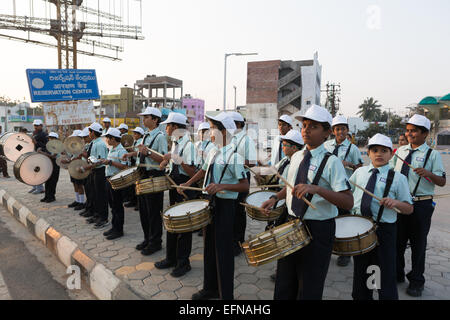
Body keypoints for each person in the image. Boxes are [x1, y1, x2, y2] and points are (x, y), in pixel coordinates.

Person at [261, 104, 353, 300]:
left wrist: (317, 189)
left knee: (309, 286)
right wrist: (275, 198)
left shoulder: (332, 162)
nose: (306, 130)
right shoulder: (296, 157)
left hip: (318, 229)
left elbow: (347, 201)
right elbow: (292, 185)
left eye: (313, 126)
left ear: (327, 132)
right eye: (304, 125)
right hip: (292, 224)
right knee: (284, 283)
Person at [181, 112, 249, 300]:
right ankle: (209, 288)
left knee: (223, 251)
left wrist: (222, 186)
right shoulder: (212, 150)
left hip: (226, 205)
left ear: (224, 131)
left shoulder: (234, 155)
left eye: (212, 128)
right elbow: (204, 170)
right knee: (209, 247)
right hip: (210, 202)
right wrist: (188, 183)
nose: (209, 131)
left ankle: (226, 295)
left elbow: (245, 185)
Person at [349, 133, 413, 300]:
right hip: (360, 228)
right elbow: (348, 195)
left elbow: (409, 209)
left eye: (384, 150)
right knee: (361, 272)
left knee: (382, 273)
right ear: (368, 153)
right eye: (374, 150)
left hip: (384, 231)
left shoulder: (399, 178)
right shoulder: (359, 173)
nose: (379, 154)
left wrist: (396, 203)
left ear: (391, 154)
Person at [391, 114, 446, 297]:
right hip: (400, 204)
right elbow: (390, 173)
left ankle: (416, 281)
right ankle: (397, 274)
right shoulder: (399, 152)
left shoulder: (432, 154)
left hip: (421, 205)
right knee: (397, 241)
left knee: (418, 244)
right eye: (407, 130)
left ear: (424, 134)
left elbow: (442, 181)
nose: (409, 134)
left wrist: (428, 173)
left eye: (413, 131)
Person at [155, 112, 198, 277]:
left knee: (183, 227)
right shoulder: (175, 142)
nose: (166, 128)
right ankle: (170, 258)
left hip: (185, 188)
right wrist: (167, 161)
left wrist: (175, 158)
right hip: (174, 186)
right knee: (172, 222)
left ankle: (183, 263)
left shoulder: (189, 146)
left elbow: (192, 171)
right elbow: (174, 160)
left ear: (175, 127)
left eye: (168, 125)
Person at [123, 108, 167, 256]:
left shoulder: (160, 137)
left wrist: (147, 152)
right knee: (143, 211)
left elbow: (163, 159)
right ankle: (147, 238)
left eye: (146, 117)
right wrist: (132, 153)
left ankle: (155, 242)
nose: (144, 120)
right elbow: (142, 152)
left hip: (154, 176)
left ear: (155, 120)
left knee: (154, 212)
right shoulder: (145, 135)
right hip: (142, 175)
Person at [324, 115, 364, 267]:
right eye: (338, 129)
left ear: (347, 131)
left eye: (343, 129)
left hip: (343, 190)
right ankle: (330, 248)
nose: (341, 132)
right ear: (333, 131)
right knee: (329, 220)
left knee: (344, 221)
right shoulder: (327, 145)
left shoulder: (352, 148)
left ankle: (345, 253)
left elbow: (360, 168)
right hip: (328, 189)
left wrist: (349, 164)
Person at [268, 129, 304, 282]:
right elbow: (273, 171)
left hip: (288, 203)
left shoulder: (299, 162)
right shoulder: (285, 161)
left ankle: (286, 270)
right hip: (279, 197)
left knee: (284, 235)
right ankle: (282, 268)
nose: (283, 147)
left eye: (285, 144)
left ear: (295, 147)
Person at [227, 111, 257, 256]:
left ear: (238, 124)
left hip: (242, 179)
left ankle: (237, 243)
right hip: (230, 179)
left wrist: (234, 162)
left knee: (239, 212)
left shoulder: (246, 140)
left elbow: (252, 162)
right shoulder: (230, 139)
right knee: (231, 211)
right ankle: (231, 240)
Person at [79, 122, 109, 229]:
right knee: (95, 195)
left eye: (89, 131)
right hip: (94, 172)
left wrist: (86, 168)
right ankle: (97, 215)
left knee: (101, 196)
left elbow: (99, 161)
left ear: (93, 132)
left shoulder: (100, 144)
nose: (88, 133)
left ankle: (103, 218)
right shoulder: (94, 142)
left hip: (100, 172)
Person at [102, 128, 128, 240]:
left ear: (113, 138)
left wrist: (111, 162)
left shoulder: (121, 151)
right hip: (109, 179)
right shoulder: (112, 149)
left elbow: (125, 166)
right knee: (112, 205)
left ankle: (119, 230)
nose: (106, 140)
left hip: (117, 180)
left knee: (117, 206)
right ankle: (114, 227)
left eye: (108, 138)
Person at [195, 121, 215, 237]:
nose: (203, 134)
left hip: (205, 176)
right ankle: (199, 225)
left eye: (205, 132)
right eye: (201, 132)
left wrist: (204, 154)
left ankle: (205, 225)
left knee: (205, 202)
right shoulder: (197, 144)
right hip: (197, 173)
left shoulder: (212, 145)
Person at [123, 127, 145, 210]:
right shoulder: (135, 142)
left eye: (135, 133)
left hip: (137, 164)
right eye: (134, 133)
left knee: (137, 184)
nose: (134, 135)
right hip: (134, 163)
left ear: (140, 135)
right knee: (133, 184)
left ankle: (138, 203)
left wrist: (129, 150)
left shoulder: (140, 142)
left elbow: (137, 153)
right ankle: (133, 201)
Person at [78, 128, 95, 218]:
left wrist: (82, 152)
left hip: (90, 169)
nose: (84, 139)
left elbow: (90, 157)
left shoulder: (93, 144)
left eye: (85, 137)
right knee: (88, 190)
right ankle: (89, 208)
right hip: (86, 168)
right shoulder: (88, 144)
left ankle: (92, 210)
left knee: (91, 191)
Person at [40, 132, 61, 203]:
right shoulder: (49, 146)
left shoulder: (58, 146)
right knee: (47, 180)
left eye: (51, 138)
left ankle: (51, 196)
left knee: (53, 181)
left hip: (55, 164)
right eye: (49, 138)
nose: (49, 139)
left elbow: (53, 156)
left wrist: (41, 153)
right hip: (49, 163)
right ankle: (47, 196)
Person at [30, 119, 48, 194]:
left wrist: (37, 143)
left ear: (41, 126)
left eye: (37, 125)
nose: (35, 127)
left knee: (38, 171)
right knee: (33, 170)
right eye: (34, 125)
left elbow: (47, 146)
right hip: (35, 154)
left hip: (41, 154)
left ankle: (40, 188)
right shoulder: (34, 133)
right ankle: (35, 186)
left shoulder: (44, 134)